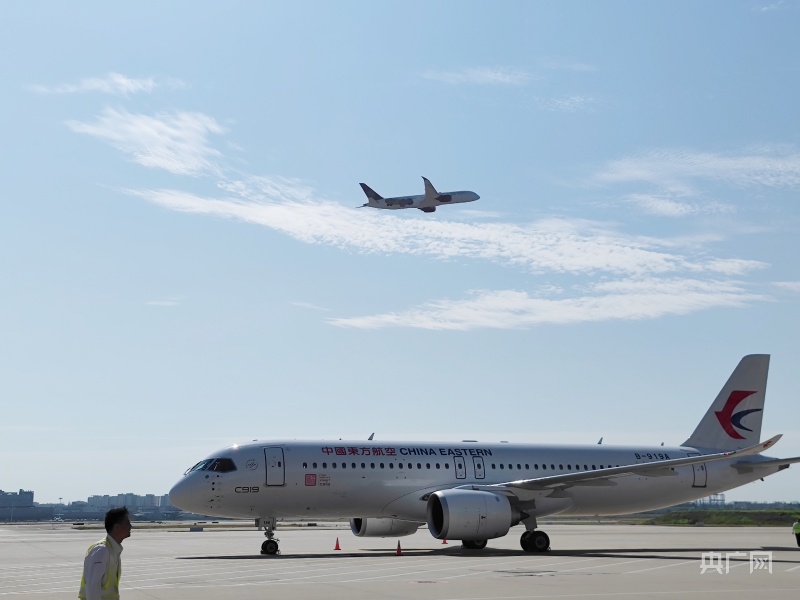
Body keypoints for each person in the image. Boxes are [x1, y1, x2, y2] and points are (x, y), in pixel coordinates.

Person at [78, 507, 132, 600]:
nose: (130, 526)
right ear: (116, 527)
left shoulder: (113, 550)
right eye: (127, 523)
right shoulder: (102, 551)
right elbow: (92, 589)